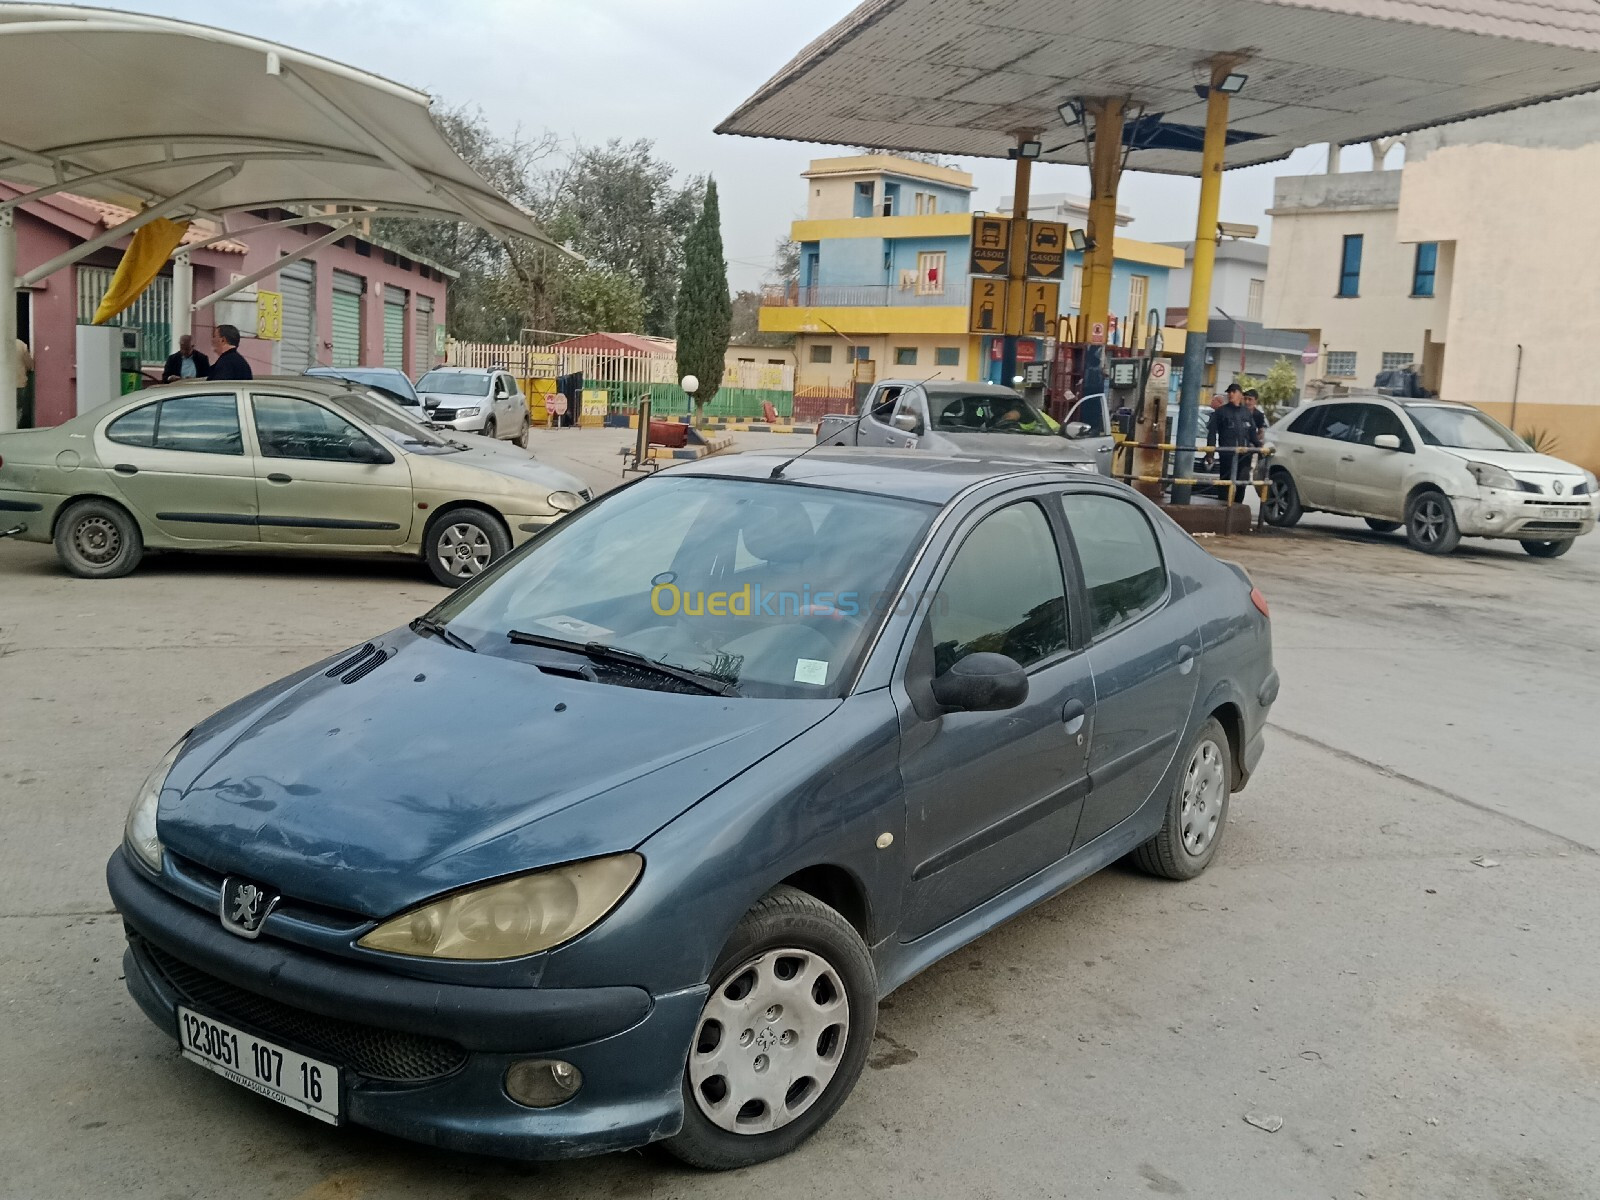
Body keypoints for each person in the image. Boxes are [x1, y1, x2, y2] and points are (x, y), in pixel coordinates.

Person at [1206, 383, 1252, 500]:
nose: (1231, 394)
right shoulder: (1221, 412)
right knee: (1225, 485)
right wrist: (1210, 453)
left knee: (1241, 484)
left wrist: (1260, 449)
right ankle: (1223, 509)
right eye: (1229, 392)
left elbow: (1252, 432)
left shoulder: (1246, 412)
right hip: (1227, 455)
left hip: (1244, 456)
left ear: (1240, 395)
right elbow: (1211, 432)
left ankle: (1238, 509)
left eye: (1234, 391)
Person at [1241, 388, 1268, 482]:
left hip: (1249, 449)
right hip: (1237, 445)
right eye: (1245, 399)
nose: (1247, 402)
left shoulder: (1258, 415)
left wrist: (1255, 440)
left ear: (1255, 400)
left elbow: (1261, 431)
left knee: (1244, 474)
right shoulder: (1238, 412)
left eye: (1250, 399)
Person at [14, 337, 35, 428]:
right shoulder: (20, 344)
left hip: (4, 385)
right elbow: (30, 365)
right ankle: (13, 430)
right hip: (18, 383)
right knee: (17, 410)